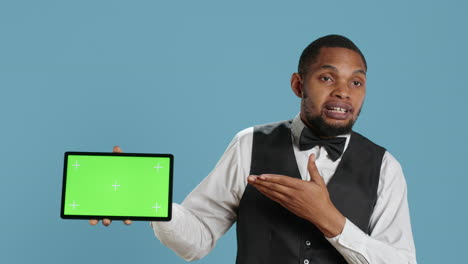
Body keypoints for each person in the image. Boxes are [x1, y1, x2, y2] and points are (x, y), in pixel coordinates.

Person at [90, 34, 417, 264]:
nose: (344, 92)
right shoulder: (249, 144)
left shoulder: (385, 168)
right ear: (298, 85)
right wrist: (151, 202)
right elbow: (198, 238)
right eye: (327, 78)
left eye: (356, 82)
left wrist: (331, 220)